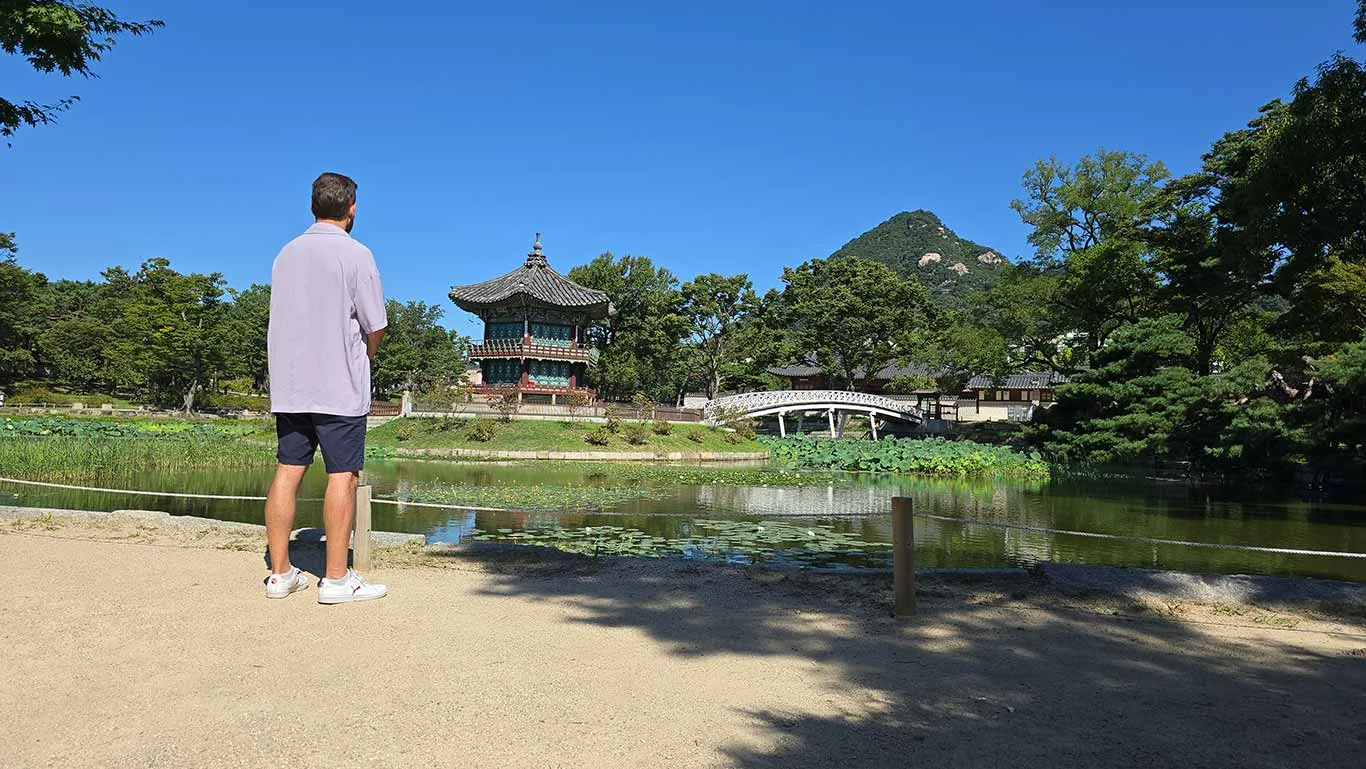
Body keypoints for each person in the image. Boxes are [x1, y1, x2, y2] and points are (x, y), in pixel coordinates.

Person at [263, 172, 389, 604]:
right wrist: (366, 356)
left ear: (312, 205)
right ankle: (336, 578)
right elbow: (376, 324)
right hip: (339, 384)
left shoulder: (286, 254)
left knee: (288, 470)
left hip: (291, 384)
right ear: (351, 208)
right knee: (343, 475)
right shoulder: (356, 254)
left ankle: (280, 574)